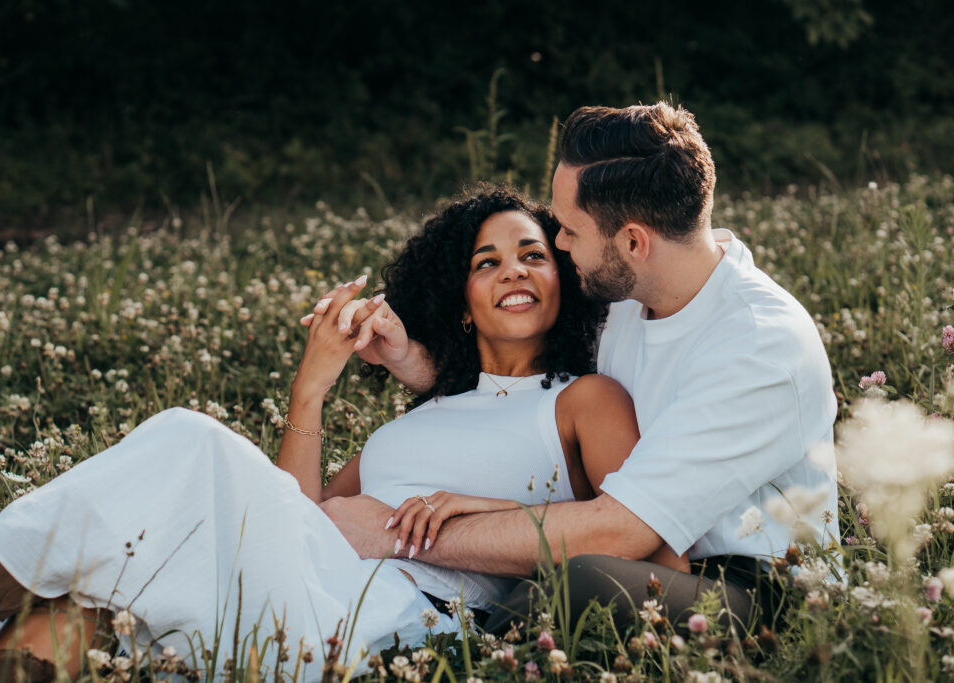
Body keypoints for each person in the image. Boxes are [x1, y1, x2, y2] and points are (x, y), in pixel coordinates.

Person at [0, 188, 689, 682]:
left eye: (533, 254)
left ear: (562, 277)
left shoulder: (584, 400)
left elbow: (653, 547)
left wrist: (469, 509)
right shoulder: (412, 423)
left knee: (193, 441)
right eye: (486, 261)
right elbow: (294, 516)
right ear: (461, 302)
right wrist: (311, 387)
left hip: (377, 625)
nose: (514, 270)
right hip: (296, 588)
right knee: (88, 608)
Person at [313, 103, 841, 633]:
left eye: (568, 230)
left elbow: (619, 533)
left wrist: (394, 532)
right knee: (554, 576)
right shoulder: (634, 292)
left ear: (634, 242)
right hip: (641, 556)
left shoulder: (757, 346)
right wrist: (414, 360)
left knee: (574, 583)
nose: (559, 244)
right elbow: (526, 384)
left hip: (758, 593)